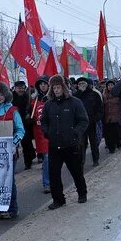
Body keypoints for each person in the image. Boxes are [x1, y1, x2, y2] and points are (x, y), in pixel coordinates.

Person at [41, 75, 89, 210]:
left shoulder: (75, 102)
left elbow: (84, 120)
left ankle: (82, 193)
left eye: (58, 87)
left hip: (71, 145)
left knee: (76, 171)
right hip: (54, 145)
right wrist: (47, 132)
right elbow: (44, 121)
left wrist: (75, 132)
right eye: (54, 88)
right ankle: (58, 199)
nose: (56, 90)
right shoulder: (48, 104)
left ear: (63, 87)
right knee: (54, 174)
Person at [0, 81, 25, 220]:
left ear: (5, 95)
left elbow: (21, 130)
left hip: (9, 152)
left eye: (0, 95)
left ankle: (11, 209)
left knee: (8, 181)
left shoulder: (12, 110)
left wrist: (14, 143)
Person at [75, 77, 103, 167]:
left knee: (93, 142)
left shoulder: (94, 94)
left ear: (87, 84)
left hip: (92, 123)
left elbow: (100, 108)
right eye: (80, 84)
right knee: (81, 143)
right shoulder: (75, 96)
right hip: (80, 124)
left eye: (83, 83)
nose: (82, 85)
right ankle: (81, 161)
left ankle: (96, 159)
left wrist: (96, 118)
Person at [31, 76, 50, 194]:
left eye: (45, 83)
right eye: (41, 84)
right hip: (40, 134)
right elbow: (32, 115)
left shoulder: (52, 98)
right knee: (47, 159)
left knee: (51, 159)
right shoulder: (34, 100)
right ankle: (47, 183)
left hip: (52, 132)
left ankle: (50, 182)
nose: (43, 86)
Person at [12, 80, 36, 170]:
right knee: (15, 143)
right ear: (15, 88)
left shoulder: (28, 97)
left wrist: (29, 113)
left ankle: (28, 162)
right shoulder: (11, 98)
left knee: (26, 143)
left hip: (25, 123)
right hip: (14, 123)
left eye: (23, 88)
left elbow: (32, 108)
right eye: (19, 88)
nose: (21, 90)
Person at [102, 80, 121, 153]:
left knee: (116, 132)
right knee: (109, 134)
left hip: (116, 117)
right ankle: (111, 148)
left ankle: (118, 143)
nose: (110, 86)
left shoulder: (118, 94)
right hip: (107, 117)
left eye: (112, 85)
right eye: (109, 85)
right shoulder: (104, 95)